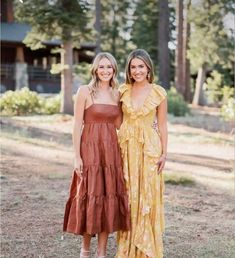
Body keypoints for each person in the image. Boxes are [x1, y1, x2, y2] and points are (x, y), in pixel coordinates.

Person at [63, 52, 130, 258]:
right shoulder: (85, 91)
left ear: (114, 70)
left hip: (111, 152)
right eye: (101, 67)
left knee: (108, 197)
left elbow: (120, 125)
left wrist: (149, 123)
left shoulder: (118, 94)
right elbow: (76, 125)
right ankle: (85, 250)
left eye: (109, 67)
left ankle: (101, 252)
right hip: (90, 150)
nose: (105, 71)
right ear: (95, 69)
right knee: (90, 196)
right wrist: (77, 156)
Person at [116, 49, 168, 258]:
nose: (137, 71)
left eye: (141, 66)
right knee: (128, 194)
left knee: (147, 193)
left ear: (148, 68)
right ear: (129, 69)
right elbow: (117, 121)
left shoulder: (158, 92)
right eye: (133, 67)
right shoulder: (122, 91)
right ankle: (128, 247)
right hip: (126, 147)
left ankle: (147, 248)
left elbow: (163, 125)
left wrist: (165, 153)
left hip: (150, 149)